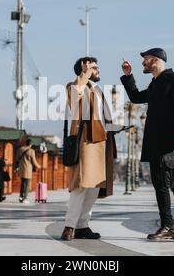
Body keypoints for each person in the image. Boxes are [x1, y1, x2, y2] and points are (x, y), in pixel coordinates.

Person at [120, 48, 174, 242]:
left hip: (173, 142)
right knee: (159, 185)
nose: (143, 63)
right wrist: (128, 76)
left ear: (155, 60)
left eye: (145, 60)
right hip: (154, 143)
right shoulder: (155, 84)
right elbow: (135, 97)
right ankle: (167, 225)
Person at [61, 57, 117, 241]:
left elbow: (105, 116)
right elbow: (76, 102)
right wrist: (84, 75)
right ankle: (70, 226)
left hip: (102, 140)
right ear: (84, 69)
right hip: (85, 139)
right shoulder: (74, 86)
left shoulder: (98, 89)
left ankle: (82, 225)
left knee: (95, 186)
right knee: (81, 184)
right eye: (94, 67)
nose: (98, 70)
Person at [15, 139, 40, 204]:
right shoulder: (31, 151)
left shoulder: (20, 149)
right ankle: (25, 198)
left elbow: (17, 159)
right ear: (30, 144)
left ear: (26, 143)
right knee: (27, 184)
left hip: (21, 168)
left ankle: (20, 197)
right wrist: (38, 166)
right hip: (28, 169)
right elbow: (34, 161)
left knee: (23, 183)